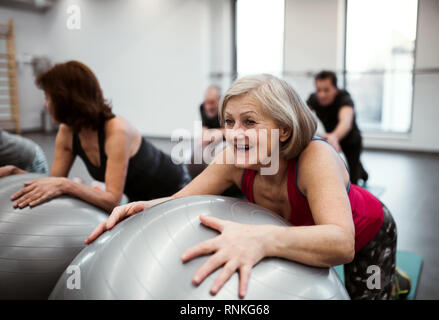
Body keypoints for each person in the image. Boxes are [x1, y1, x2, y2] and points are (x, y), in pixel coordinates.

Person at [86, 74, 410, 300]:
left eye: (250, 122)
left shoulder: (315, 157)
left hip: (369, 231)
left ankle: (392, 280)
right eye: (229, 122)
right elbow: (179, 201)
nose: (235, 134)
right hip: (304, 231)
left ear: (283, 130)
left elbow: (341, 243)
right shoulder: (233, 160)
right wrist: (143, 208)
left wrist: (262, 238)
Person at [10, 61, 191, 212]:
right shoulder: (67, 132)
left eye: (48, 98)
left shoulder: (116, 130)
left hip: (176, 188)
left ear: (66, 99)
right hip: (140, 198)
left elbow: (112, 199)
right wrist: (17, 174)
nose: (45, 105)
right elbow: (54, 182)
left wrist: (67, 185)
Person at [307, 71, 369, 185]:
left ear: (335, 88)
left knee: (353, 179)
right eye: (319, 90)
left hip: (350, 140)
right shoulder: (313, 99)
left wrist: (334, 137)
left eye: (326, 90)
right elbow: (303, 117)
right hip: (331, 138)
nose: (322, 95)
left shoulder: (344, 98)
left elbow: (346, 121)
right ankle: (361, 171)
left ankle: (363, 174)